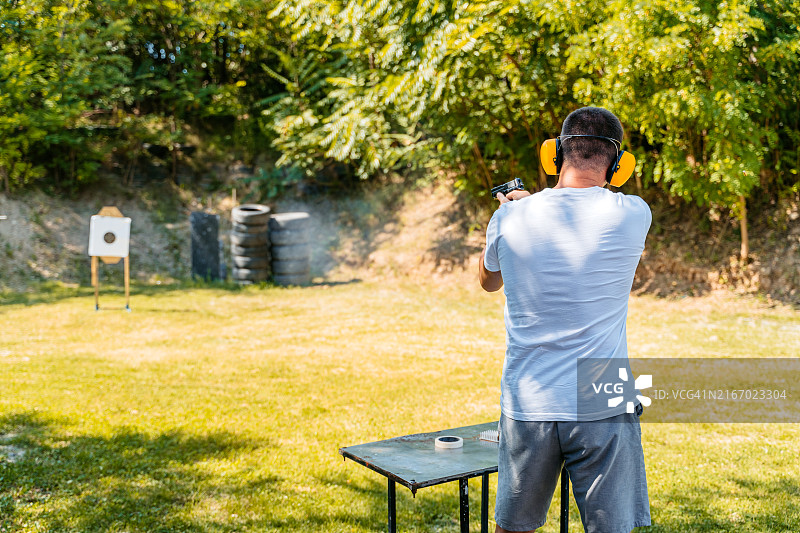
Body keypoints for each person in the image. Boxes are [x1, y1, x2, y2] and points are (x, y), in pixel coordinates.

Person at [479, 107, 652, 533]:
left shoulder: (509, 217)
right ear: (617, 164)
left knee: (513, 527)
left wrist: (516, 209)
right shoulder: (634, 213)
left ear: (554, 154)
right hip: (603, 394)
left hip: (529, 395)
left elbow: (488, 282)